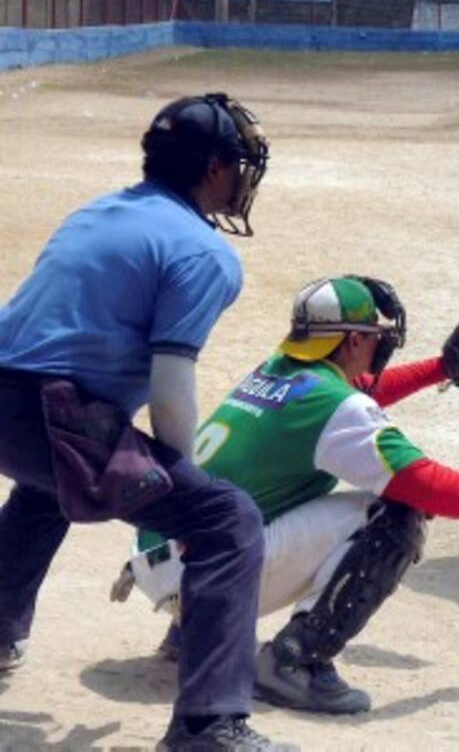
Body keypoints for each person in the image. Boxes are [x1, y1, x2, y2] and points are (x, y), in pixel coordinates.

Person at [114, 278, 459, 714]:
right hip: (200, 576)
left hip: (166, 556)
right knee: (396, 513)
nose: (380, 344)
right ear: (355, 339)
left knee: (261, 505)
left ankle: (195, 632)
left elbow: (357, 393)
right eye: (375, 335)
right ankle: (295, 662)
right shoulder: (332, 404)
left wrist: (441, 368)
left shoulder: (278, 372)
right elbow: (421, 481)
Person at [0, 94, 285, 752]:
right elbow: (172, 387)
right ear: (214, 168)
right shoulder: (204, 253)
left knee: (48, 490)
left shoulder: (96, 211)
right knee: (227, 520)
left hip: (13, 400)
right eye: (238, 163)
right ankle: (207, 726)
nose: (243, 176)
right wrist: (180, 496)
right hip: (50, 408)